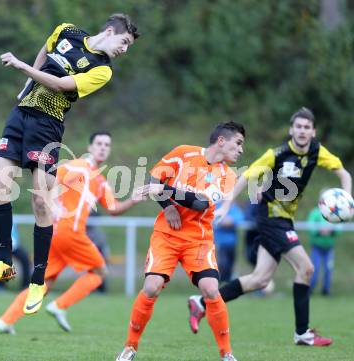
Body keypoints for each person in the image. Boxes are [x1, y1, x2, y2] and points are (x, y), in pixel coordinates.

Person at [0, 14, 140, 313]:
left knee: (41, 202)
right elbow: (46, 47)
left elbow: (61, 84)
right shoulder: (67, 31)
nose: (125, 49)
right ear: (109, 32)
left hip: (47, 125)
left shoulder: (102, 70)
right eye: (124, 42)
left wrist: (23, 67)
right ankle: (3, 263)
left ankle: (38, 281)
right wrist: (29, 78)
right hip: (20, 115)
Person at [187, 107, 352, 346]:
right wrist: (225, 205)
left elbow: (344, 174)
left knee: (259, 279)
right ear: (291, 130)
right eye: (298, 126)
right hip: (271, 217)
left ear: (313, 131)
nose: (302, 131)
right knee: (306, 268)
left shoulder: (317, 151)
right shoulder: (277, 154)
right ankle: (302, 333)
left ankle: (200, 303)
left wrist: (347, 200)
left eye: (307, 127)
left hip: (285, 219)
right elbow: (246, 177)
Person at [116, 122, 245, 361]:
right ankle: (129, 348)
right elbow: (154, 178)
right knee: (151, 287)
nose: (241, 150)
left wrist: (165, 191)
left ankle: (227, 354)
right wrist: (167, 207)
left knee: (211, 289)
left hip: (199, 238)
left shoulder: (228, 175)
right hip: (167, 234)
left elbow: (199, 203)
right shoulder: (183, 153)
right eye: (238, 143)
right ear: (221, 141)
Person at [0, 131, 143, 334]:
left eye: (107, 145)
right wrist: (53, 203)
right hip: (69, 232)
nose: (103, 147)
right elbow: (48, 181)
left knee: (44, 283)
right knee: (100, 271)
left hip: (56, 235)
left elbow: (114, 209)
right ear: (89, 147)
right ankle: (59, 306)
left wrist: (133, 199)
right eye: (99, 143)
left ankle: (5, 321)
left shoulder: (99, 180)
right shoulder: (75, 166)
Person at [307, 195, 339, 296]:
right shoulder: (315, 212)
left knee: (328, 269)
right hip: (316, 247)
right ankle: (309, 290)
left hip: (329, 248)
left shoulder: (335, 213)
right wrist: (320, 231)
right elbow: (310, 226)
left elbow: (339, 227)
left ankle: (326, 291)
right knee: (314, 269)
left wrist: (331, 230)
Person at [214, 202, 244, 282]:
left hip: (232, 243)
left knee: (230, 264)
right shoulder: (217, 206)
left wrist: (228, 221)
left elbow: (239, 219)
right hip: (219, 243)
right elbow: (213, 219)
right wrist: (223, 221)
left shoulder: (233, 206)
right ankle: (219, 282)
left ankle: (226, 283)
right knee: (222, 264)